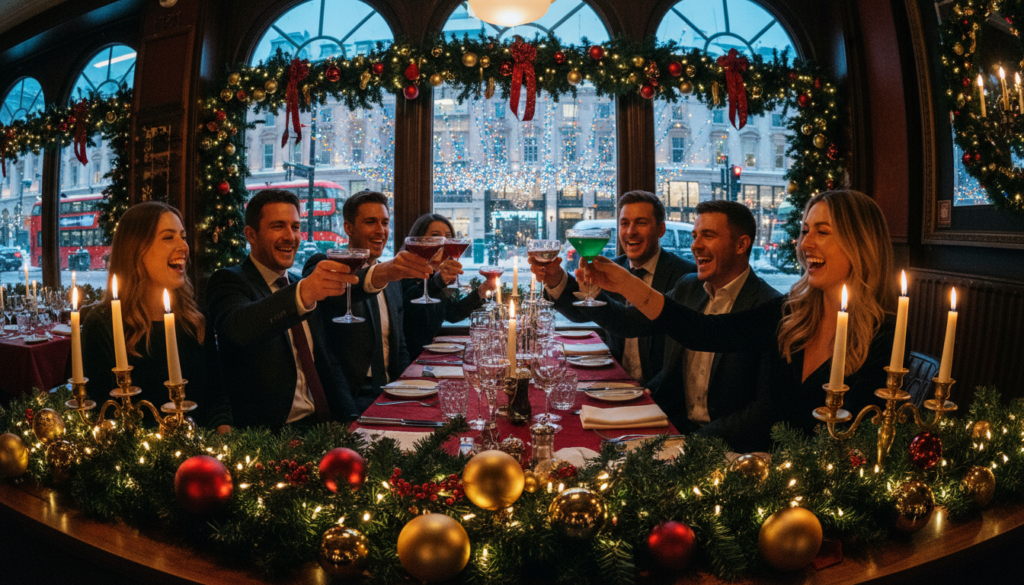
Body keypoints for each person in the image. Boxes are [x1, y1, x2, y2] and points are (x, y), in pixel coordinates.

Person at [580, 190, 897, 448]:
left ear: (859, 242)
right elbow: (703, 332)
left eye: (822, 232)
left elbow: (863, 443)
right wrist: (624, 283)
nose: (805, 243)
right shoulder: (790, 313)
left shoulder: (883, 333)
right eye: (804, 231)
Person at [587, 200, 781, 451]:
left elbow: (761, 412)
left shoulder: (768, 306)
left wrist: (689, 445)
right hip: (673, 428)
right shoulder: (689, 287)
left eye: (708, 236)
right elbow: (630, 323)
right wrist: (591, 288)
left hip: (731, 449)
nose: (695, 246)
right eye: (694, 236)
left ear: (741, 244)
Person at [205, 189, 360, 428]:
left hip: (324, 425)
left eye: (296, 227)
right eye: (278, 226)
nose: (291, 237)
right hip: (270, 436)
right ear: (251, 235)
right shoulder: (229, 281)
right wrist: (303, 293)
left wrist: (350, 418)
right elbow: (239, 328)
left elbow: (326, 360)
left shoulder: (299, 283)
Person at [83, 202, 231, 432]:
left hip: (203, 457)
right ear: (136, 250)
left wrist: (223, 448)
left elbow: (217, 399)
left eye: (183, 236)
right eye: (168, 237)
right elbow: (101, 415)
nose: (184, 246)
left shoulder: (196, 319)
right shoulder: (102, 324)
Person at [529, 190, 696, 386]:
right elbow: (581, 314)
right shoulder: (613, 267)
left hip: (660, 394)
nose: (630, 231)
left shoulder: (685, 275)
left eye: (641, 223)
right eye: (624, 223)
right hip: (613, 384)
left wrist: (651, 392)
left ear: (661, 230)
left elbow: (684, 356)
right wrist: (556, 279)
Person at [304, 191, 431, 414]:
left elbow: (398, 345)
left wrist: (408, 393)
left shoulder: (391, 279)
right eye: (370, 222)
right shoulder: (324, 265)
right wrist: (348, 413)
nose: (380, 231)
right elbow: (344, 290)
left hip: (391, 392)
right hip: (350, 399)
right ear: (348, 228)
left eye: (384, 222)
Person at [400, 213, 496, 359]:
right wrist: (437, 282)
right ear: (418, 240)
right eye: (435, 235)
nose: (443, 241)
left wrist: (481, 292)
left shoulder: (436, 273)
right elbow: (410, 307)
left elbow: (451, 314)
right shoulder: (405, 270)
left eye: (447, 236)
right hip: (407, 358)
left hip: (428, 355)